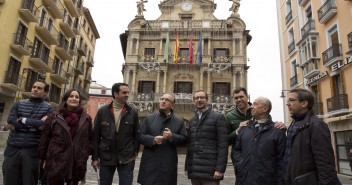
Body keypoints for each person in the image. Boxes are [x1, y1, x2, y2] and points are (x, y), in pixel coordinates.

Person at [283, 88, 341, 185]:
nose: (288, 104)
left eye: (292, 100)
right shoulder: (293, 125)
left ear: (304, 104)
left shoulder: (316, 125)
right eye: (288, 101)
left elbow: (325, 163)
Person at [2, 79, 53, 185]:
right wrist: (35, 124)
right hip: (13, 149)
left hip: (32, 151)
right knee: (9, 181)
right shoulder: (18, 104)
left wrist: (22, 120)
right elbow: (11, 121)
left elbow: (44, 125)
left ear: (45, 92)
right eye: (34, 87)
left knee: (29, 182)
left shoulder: (49, 109)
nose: (35, 89)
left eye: (39, 88)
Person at [37, 89, 92, 185]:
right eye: (71, 96)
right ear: (66, 99)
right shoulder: (54, 116)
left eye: (77, 97)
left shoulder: (86, 119)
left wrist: (84, 154)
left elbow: (89, 138)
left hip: (77, 162)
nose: (74, 99)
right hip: (56, 160)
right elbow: (45, 138)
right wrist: (43, 159)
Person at [91, 83, 140, 185]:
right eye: (124, 92)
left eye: (128, 92)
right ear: (115, 94)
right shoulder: (102, 111)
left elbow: (137, 134)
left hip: (127, 158)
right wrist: (95, 158)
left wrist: (134, 151)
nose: (127, 95)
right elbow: (95, 136)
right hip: (106, 157)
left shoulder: (133, 112)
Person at [233, 97, 286, 185]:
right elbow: (237, 149)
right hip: (243, 180)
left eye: (255, 104)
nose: (251, 107)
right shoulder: (244, 127)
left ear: (265, 109)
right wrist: (239, 165)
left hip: (267, 181)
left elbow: (282, 160)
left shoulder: (278, 131)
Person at [137, 93, 188, 185]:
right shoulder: (149, 118)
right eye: (162, 99)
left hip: (168, 163)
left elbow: (184, 139)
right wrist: (153, 139)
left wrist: (172, 136)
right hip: (150, 162)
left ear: (173, 105)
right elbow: (139, 135)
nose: (163, 101)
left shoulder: (179, 121)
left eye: (167, 100)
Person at [186, 90, 228, 185]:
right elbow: (190, 147)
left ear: (207, 100)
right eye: (197, 98)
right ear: (193, 101)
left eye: (202, 98)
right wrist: (187, 167)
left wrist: (220, 169)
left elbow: (223, 145)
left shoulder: (218, 117)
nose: (199, 100)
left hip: (211, 173)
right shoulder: (192, 121)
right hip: (195, 172)